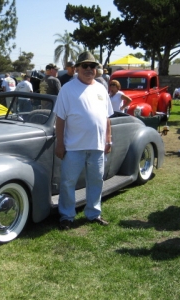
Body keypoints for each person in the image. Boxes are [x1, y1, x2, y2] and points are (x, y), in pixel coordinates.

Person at [53, 51, 114, 230]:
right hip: (73, 147)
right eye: (85, 66)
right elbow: (60, 119)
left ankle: (94, 213)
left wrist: (108, 139)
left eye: (92, 66)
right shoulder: (67, 89)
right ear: (77, 68)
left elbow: (107, 117)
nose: (89, 69)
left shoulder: (101, 88)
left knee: (96, 181)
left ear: (97, 69)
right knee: (68, 182)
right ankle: (67, 216)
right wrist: (60, 143)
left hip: (97, 146)